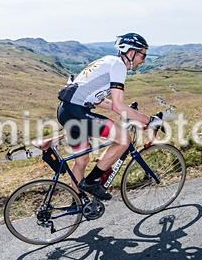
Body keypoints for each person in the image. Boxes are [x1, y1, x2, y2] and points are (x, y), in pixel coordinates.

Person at [56, 32, 162, 200]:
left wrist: (134, 115)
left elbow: (106, 103)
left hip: (66, 110)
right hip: (77, 113)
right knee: (124, 139)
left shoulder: (108, 61)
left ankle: (78, 203)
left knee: (82, 160)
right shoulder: (118, 66)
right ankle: (92, 181)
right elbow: (118, 106)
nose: (144, 60)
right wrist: (149, 120)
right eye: (143, 55)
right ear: (132, 52)